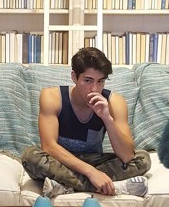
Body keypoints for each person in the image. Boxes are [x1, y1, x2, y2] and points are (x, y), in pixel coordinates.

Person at [21, 47, 151, 198]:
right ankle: (109, 186)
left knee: (142, 159)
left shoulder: (115, 102)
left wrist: (107, 119)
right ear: (74, 77)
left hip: (94, 160)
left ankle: (64, 185)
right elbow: (49, 146)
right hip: (60, 162)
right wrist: (92, 173)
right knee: (30, 156)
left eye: (100, 81)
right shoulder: (52, 97)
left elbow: (127, 155)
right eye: (87, 81)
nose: (94, 89)